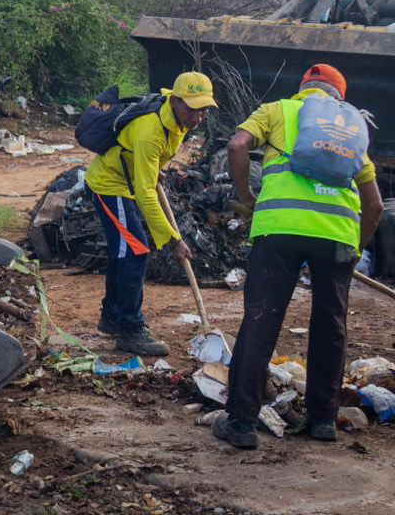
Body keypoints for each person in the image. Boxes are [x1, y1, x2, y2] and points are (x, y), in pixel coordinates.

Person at [215, 63, 384, 449]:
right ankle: (323, 419)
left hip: (279, 228)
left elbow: (238, 145)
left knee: (261, 320)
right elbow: (373, 206)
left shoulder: (278, 109)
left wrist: (246, 196)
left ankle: (241, 422)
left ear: (303, 88)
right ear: (339, 97)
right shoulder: (351, 128)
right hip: (337, 234)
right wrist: (354, 247)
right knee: (330, 326)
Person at [85, 72, 216, 356]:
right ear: (176, 100)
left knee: (125, 251)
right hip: (110, 185)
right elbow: (146, 194)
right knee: (135, 251)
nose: (197, 116)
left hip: (128, 183)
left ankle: (111, 317)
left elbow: (145, 165)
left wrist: (153, 168)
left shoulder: (177, 121)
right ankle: (131, 330)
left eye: (203, 109)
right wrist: (172, 240)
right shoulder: (152, 130)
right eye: (192, 108)